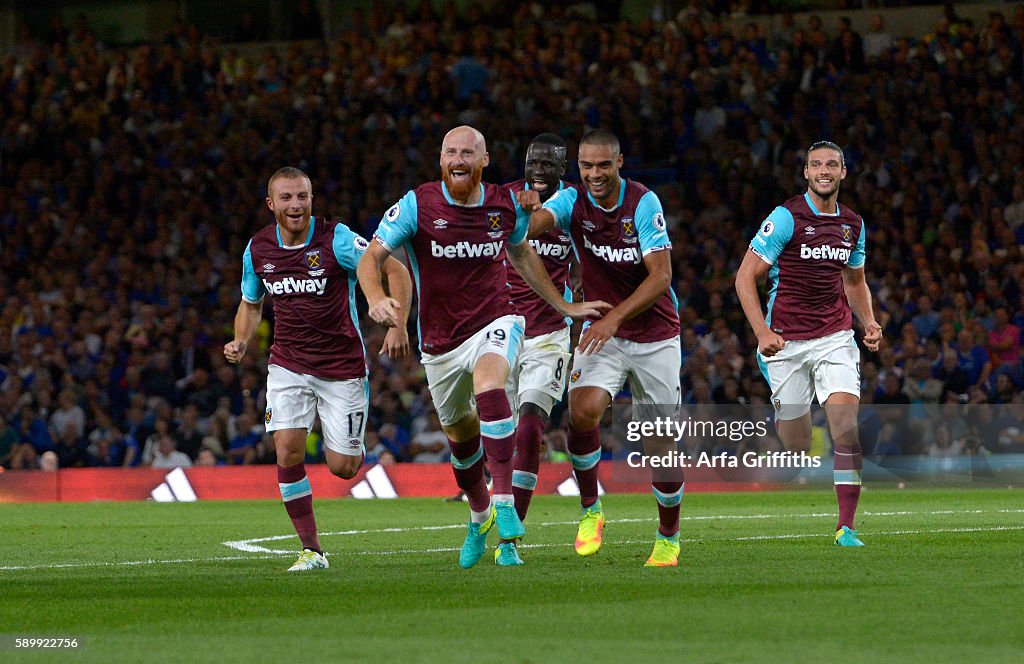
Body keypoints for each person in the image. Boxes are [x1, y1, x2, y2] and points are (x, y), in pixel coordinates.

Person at [357, 125, 605, 569]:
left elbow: (523, 252)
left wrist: (564, 304)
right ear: (440, 159)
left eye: (468, 152)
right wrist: (377, 300)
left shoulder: (516, 204)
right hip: (440, 342)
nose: (459, 159)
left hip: (508, 323)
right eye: (451, 151)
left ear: (484, 160)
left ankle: (506, 506)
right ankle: (479, 515)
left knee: (500, 396)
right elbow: (370, 256)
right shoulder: (419, 204)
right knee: (462, 441)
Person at [225, 166, 412, 572]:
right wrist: (242, 340)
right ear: (271, 204)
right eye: (287, 198)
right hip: (288, 364)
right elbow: (251, 302)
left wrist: (397, 323)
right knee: (287, 450)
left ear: (312, 199)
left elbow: (393, 267)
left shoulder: (336, 239)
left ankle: (355, 441)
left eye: (303, 197)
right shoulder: (258, 249)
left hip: (341, 368)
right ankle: (312, 549)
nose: (296, 205)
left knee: (342, 468)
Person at [520, 129, 684, 567]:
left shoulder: (643, 203)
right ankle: (591, 510)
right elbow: (534, 228)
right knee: (582, 409)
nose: (594, 174)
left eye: (603, 165)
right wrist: (525, 212)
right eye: (586, 166)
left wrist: (614, 318)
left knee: (659, 441)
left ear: (619, 163)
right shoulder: (572, 201)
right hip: (601, 331)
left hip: (654, 336)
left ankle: (668, 536)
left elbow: (661, 276)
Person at [735, 140, 883, 547]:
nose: (824, 170)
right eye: (816, 164)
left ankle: (846, 527)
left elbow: (854, 281)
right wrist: (762, 334)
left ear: (843, 172)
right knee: (797, 444)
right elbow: (745, 277)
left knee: (845, 427)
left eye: (831, 164)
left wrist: (868, 320)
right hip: (786, 342)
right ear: (805, 172)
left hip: (835, 337)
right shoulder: (786, 217)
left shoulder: (853, 223)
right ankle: (786, 408)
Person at [496, 133, 575, 565]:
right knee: (496, 434)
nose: (538, 171)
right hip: (499, 333)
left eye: (548, 164)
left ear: (563, 168)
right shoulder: (505, 199)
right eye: (533, 163)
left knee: (529, 428)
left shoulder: (572, 207)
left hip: (548, 333)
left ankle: (510, 538)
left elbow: (585, 259)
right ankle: (492, 504)